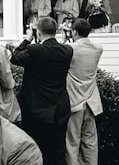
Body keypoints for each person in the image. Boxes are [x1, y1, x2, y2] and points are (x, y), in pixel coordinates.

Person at [10, 17, 73, 165]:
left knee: (36, 149)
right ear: (56, 31)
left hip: (36, 109)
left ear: (38, 32)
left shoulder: (34, 50)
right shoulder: (67, 51)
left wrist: (27, 39)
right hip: (59, 108)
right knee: (57, 151)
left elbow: (15, 57)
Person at [65, 19, 103, 165]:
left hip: (74, 100)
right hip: (92, 100)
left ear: (74, 32)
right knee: (90, 141)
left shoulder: (70, 48)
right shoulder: (98, 48)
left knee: (72, 142)